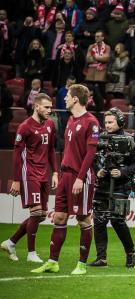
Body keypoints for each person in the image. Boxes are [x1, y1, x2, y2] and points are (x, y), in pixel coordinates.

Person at [32, 84, 100, 275]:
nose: (64, 98)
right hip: (65, 175)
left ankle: (81, 264)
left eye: (68, 96)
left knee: (83, 218)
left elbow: (90, 153)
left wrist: (80, 178)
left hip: (81, 177)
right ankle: (53, 262)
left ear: (76, 99)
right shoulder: (70, 120)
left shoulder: (91, 122)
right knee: (60, 217)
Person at [1, 93, 57, 263]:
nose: (49, 110)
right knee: (36, 212)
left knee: (41, 215)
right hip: (29, 173)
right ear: (36, 106)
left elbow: (51, 150)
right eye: (46, 107)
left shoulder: (50, 125)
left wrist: (55, 172)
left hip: (43, 174)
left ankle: (11, 242)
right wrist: (17, 180)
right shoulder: (24, 127)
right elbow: (17, 157)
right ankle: (31, 253)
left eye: (50, 107)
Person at [89, 108, 135, 268]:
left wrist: (123, 172)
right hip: (102, 185)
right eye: (106, 122)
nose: (107, 125)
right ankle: (101, 258)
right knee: (99, 221)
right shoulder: (99, 138)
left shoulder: (131, 139)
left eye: (110, 122)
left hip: (122, 186)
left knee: (118, 220)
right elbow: (93, 160)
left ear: (120, 122)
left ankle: (130, 253)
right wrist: (99, 171)